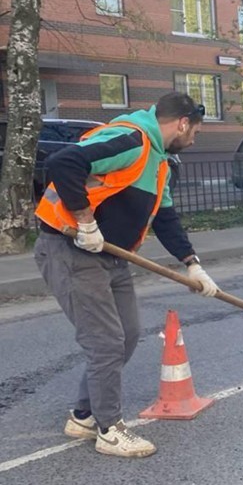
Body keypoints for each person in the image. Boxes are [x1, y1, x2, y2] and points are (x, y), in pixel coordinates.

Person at [34, 91, 219, 458]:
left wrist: (192, 263)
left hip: (112, 257)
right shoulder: (132, 139)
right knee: (104, 341)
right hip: (72, 251)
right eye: (195, 131)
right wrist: (85, 221)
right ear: (182, 123)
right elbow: (64, 162)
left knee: (128, 334)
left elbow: (165, 217)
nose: (194, 139)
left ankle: (84, 416)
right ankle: (110, 430)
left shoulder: (160, 162)